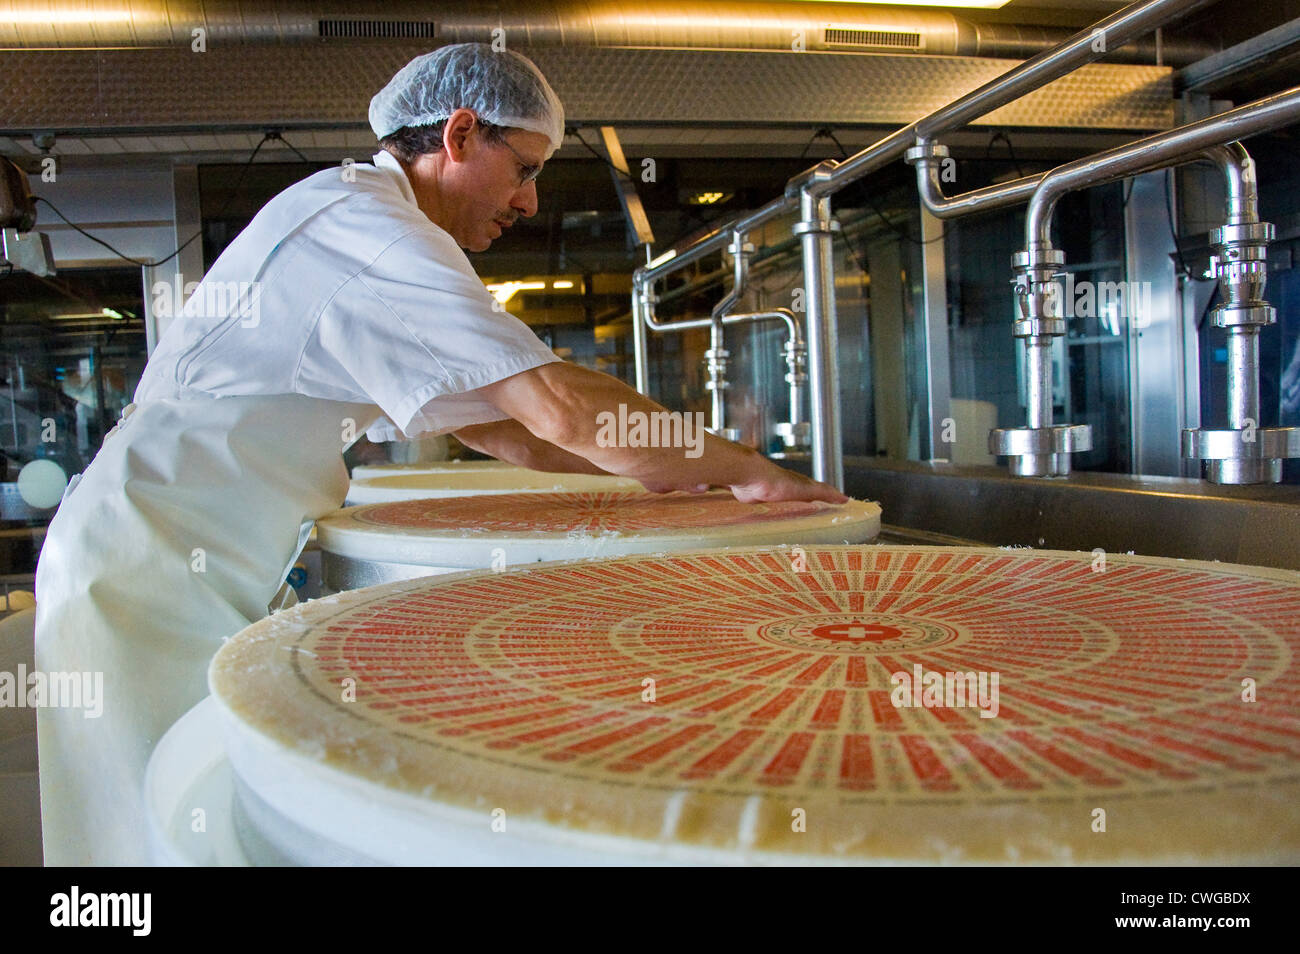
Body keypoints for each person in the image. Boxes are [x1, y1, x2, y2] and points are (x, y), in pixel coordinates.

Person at [33, 43, 845, 866]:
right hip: (141, 570)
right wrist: (749, 470)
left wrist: (683, 475)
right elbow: (559, 408)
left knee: (203, 815)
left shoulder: (370, 225)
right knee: (151, 833)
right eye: (523, 169)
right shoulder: (370, 229)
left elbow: (507, 430)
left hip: (187, 553)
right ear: (459, 135)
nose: (529, 202)